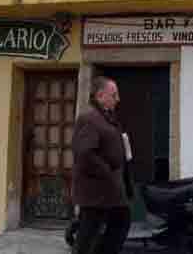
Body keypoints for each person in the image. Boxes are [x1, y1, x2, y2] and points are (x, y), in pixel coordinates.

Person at [71, 76, 132, 254]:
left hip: (110, 191)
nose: (118, 99)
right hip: (95, 192)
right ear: (100, 96)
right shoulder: (89, 118)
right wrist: (108, 174)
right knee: (87, 236)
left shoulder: (106, 117)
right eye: (114, 95)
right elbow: (85, 154)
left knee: (121, 221)